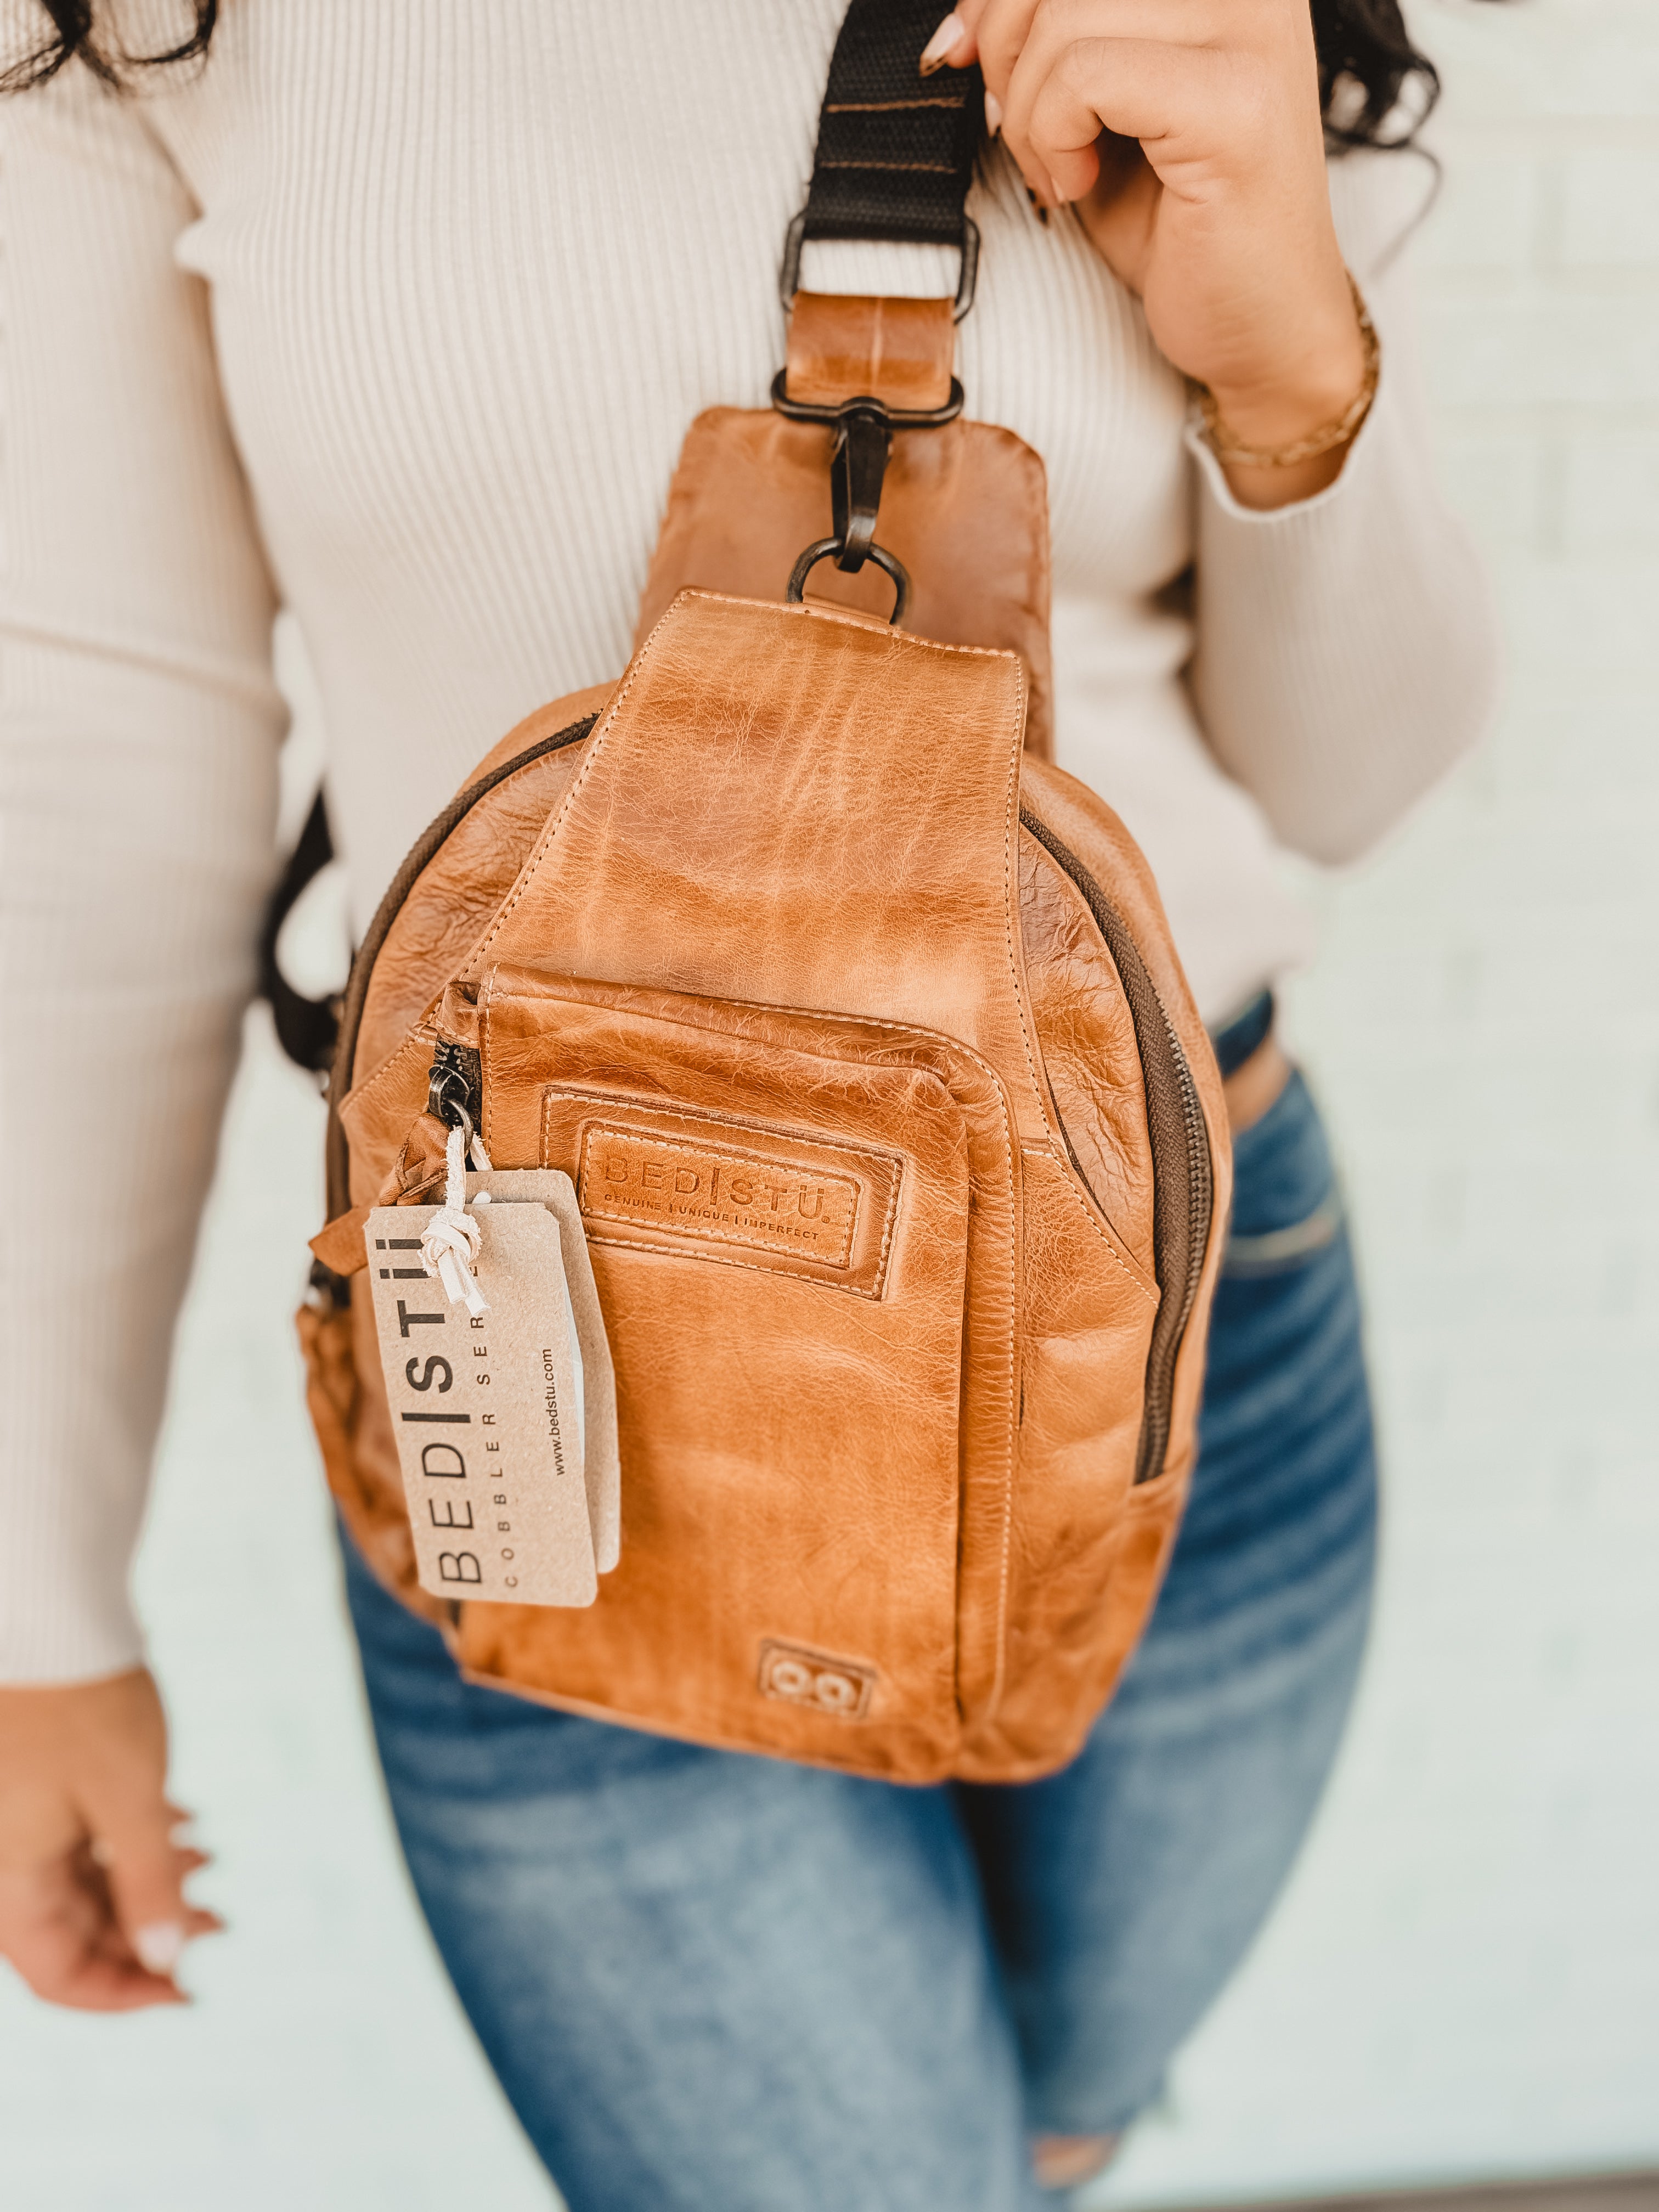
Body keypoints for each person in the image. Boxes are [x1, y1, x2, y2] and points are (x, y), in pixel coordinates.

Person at [0, 2, 1500, 2203]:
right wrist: (43, 1615)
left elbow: (1349, 786)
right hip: (554, 1402)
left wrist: (1293, 379)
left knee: (1054, 2123)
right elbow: (93, 790)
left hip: (1174, 1336)